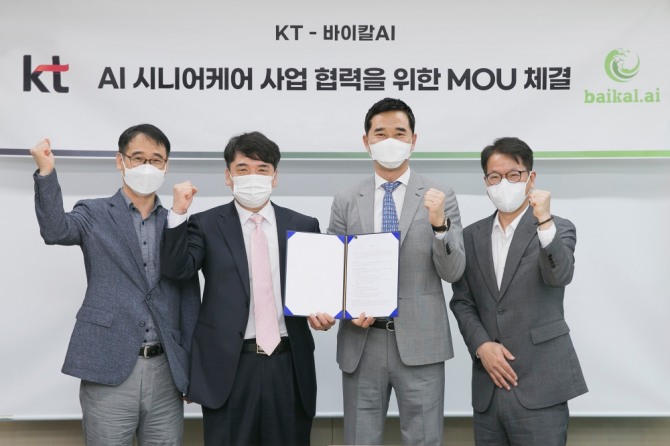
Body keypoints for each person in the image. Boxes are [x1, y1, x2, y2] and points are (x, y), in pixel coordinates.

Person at [30, 124, 201, 445]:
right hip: (108, 363)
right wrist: (46, 172)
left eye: (156, 160)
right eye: (137, 158)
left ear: (166, 166)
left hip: (166, 370)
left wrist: (192, 370)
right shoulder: (94, 212)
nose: (147, 166)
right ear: (120, 161)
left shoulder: (177, 222)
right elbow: (55, 231)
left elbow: (189, 299)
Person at [161, 131, 329, 446]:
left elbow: (317, 290)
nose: (253, 177)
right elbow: (176, 269)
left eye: (262, 169)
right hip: (229, 368)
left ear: (275, 176)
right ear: (228, 176)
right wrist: (178, 213)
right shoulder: (205, 224)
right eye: (243, 169)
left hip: (289, 364)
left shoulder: (304, 225)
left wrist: (323, 315)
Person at [322, 97, 466, 445]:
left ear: (413, 140)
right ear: (366, 141)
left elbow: (454, 271)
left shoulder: (440, 196)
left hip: (421, 342)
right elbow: (333, 268)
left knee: (424, 439)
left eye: (399, 133)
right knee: (359, 439)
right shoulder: (346, 199)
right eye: (380, 133)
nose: (390, 141)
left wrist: (440, 226)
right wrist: (336, 306)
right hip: (361, 341)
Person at [450, 137, 588, 445]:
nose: (504, 184)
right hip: (489, 388)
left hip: (541, 384)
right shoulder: (471, 236)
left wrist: (544, 221)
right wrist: (481, 345)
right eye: (494, 177)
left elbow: (559, 276)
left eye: (513, 175)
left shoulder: (557, 228)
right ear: (485, 182)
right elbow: (462, 301)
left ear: (530, 178)